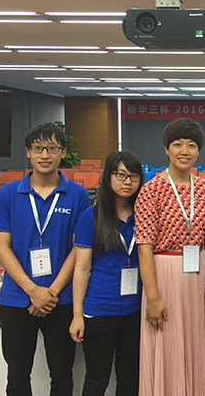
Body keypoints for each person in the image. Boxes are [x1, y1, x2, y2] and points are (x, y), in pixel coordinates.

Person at [0, 122, 91, 396]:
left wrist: (51, 292)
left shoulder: (78, 194)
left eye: (52, 148)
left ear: (63, 152)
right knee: (17, 376)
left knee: (62, 375)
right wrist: (33, 290)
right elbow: (2, 247)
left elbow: (78, 249)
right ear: (28, 152)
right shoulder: (7, 194)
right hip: (17, 298)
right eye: (38, 148)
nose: (45, 155)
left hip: (61, 299)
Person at [134, 118, 205, 396]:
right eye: (178, 144)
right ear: (166, 149)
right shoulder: (151, 189)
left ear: (198, 151)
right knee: (166, 344)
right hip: (164, 274)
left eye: (191, 145)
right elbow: (144, 246)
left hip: (198, 276)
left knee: (196, 344)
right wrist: (153, 297)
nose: (185, 151)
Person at [69, 150, 145, 395]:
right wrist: (77, 315)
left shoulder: (145, 215)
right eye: (120, 175)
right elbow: (81, 268)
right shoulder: (90, 217)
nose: (127, 181)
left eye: (133, 176)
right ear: (108, 177)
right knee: (96, 380)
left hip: (136, 311)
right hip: (100, 311)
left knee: (130, 379)